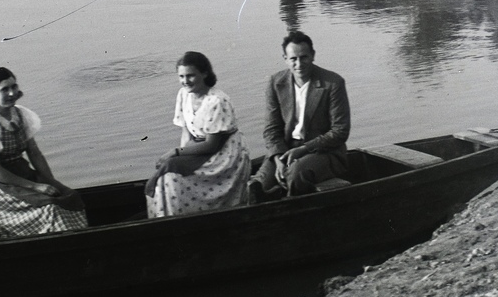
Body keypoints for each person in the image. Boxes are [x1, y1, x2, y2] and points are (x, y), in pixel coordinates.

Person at [0, 68, 87, 237]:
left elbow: (34, 154)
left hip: (19, 172)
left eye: (14, 87)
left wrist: (50, 181)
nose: (11, 93)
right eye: (4, 89)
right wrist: (36, 186)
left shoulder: (21, 115)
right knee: (49, 207)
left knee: (69, 196)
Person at [146, 52, 251, 218]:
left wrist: (175, 153)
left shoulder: (217, 100)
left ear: (204, 73)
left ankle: (181, 217)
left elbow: (212, 144)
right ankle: (165, 217)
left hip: (223, 154)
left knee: (171, 177)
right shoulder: (183, 95)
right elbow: (186, 130)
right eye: (181, 76)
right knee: (166, 171)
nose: (185, 81)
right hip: (198, 148)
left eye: (190, 76)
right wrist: (181, 155)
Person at [253, 30, 351, 200]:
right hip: (286, 150)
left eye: (304, 57)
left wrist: (303, 149)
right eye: (293, 59)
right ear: (285, 59)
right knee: (260, 185)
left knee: (296, 173)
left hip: (324, 152)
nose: (299, 64)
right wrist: (277, 159)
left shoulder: (333, 83)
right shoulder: (276, 83)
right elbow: (271, 129)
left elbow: (340, 131)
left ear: (313, 55)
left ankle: (292, 215)